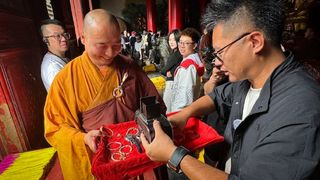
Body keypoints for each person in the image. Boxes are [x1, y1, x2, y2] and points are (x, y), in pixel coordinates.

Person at [141, 0, 320, 180]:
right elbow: (217, 96)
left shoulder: (300, 111)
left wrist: (174, 155)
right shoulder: (250, 79)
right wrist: (185, 114)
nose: (217, 62)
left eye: (220, 51)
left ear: (255, 42)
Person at [44, 9, 165, 179]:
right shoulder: (66, 79)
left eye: (116, 44)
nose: (110, 53)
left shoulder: (129, 66)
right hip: (101, 161)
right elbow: (55, 128)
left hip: (137, 153)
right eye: (102, 45)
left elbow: (155, 103)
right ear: (83, 39)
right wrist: (83, 139)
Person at [164, 28, 204, 113]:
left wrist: (177, 115)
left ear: (194, 45)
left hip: (181, 113)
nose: (182, 46)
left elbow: (184, 97)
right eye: (180, 42)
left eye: (186, 43)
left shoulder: (188, 67)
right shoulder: (195, 60)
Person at [40, 19, 70, 91]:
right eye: (57, 36)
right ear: (46, 40)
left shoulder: (61, 57)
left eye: (64, 34)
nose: (63, 39)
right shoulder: (53, 68)